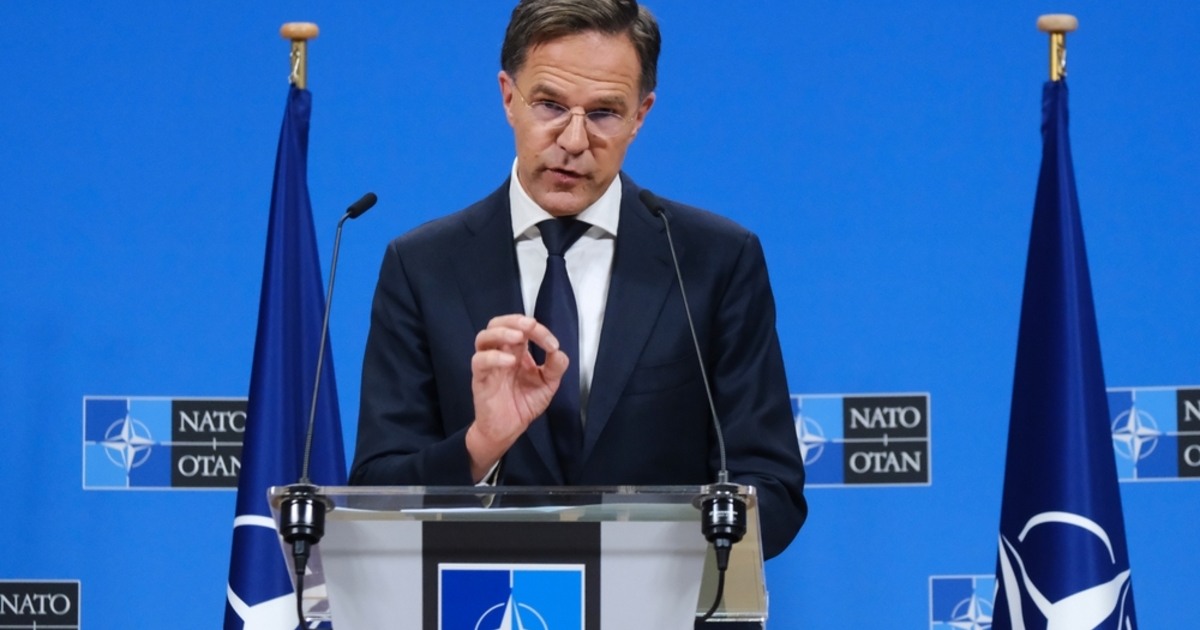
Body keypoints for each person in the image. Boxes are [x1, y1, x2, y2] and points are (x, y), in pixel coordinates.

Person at [349, 0, 806, 559]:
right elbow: (377, 493)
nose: (572, 140)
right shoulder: (423, 266)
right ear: (508, 97)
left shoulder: (715, 261)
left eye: (604, 113)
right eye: (549, 105)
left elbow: (771, 488)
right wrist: (480, 446)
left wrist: (653, 558)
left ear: (641, 115)